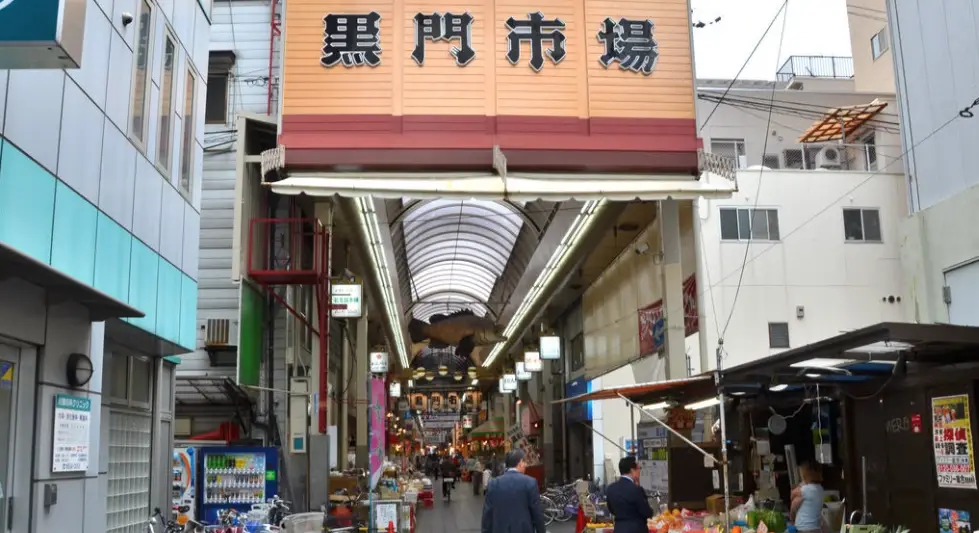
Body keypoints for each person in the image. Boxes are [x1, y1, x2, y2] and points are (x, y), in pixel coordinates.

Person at [482, 450, 546, 533]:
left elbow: (487, 515)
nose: (526, 465)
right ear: (520, 462)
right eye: (524, 462)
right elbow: (537, 513)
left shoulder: (494, 484)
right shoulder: (530, 482)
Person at [605, 456, 654, 533]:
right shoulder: (636, 489)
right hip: (637, 529)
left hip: (619, 529)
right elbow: (647, 512)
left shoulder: (611, 488)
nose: (639, 471)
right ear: (632, 470)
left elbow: (611, 509)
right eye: (638, 468)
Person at [790, 462, 826, 533]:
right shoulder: (820, 489)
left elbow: (793, 495)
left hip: (804, 528)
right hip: (816, 528)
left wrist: (792, 518)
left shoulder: (805, 489)